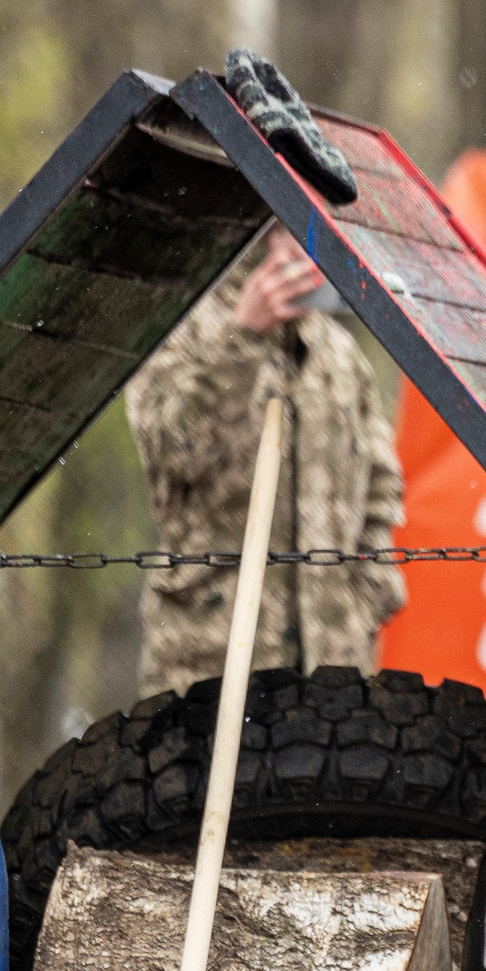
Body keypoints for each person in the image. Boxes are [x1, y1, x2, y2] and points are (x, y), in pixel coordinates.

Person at [127, 222, 407, 698]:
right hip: (209, 661)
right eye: (294, 230)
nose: (310, 250)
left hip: (332, 665)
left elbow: (381, 481)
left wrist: (368, 591)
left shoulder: (339, 353)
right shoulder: (181, 327)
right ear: (256, 238)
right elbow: (175, 452)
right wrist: (243, 339)